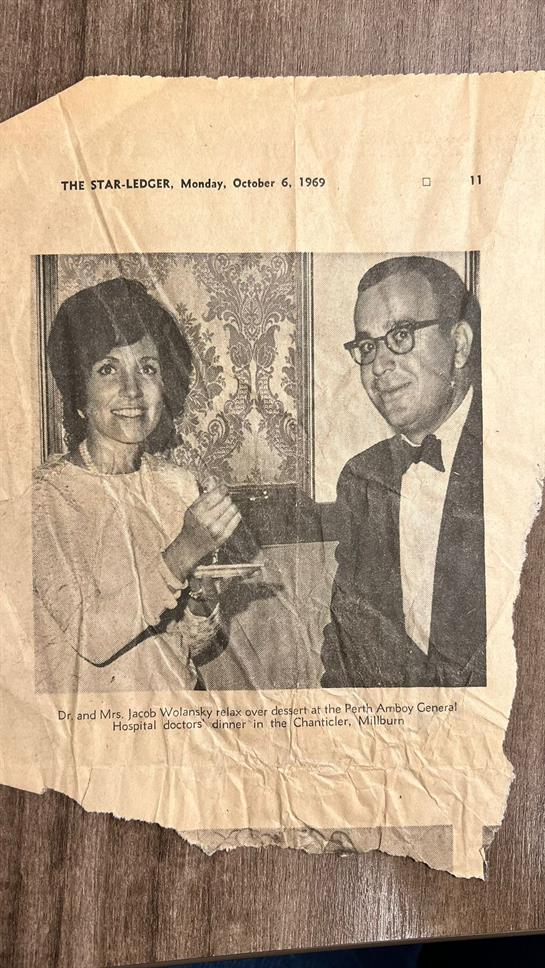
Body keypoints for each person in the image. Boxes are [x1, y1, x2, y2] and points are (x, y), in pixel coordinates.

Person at [33, 276, 241, 692]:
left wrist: (203, 600)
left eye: (148, 368)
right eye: (108, 369)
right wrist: (183, 552)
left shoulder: (180, 486)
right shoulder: (44, 498)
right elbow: (92, 637)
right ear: (79, 392)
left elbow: (183, 648)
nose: (132, 390)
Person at [321, 256, 486, 688]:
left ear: (460, 345)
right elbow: (345, 646)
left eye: (400, 336)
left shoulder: (514, 465)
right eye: (368, 347)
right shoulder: (360, 478)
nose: (378, 365)